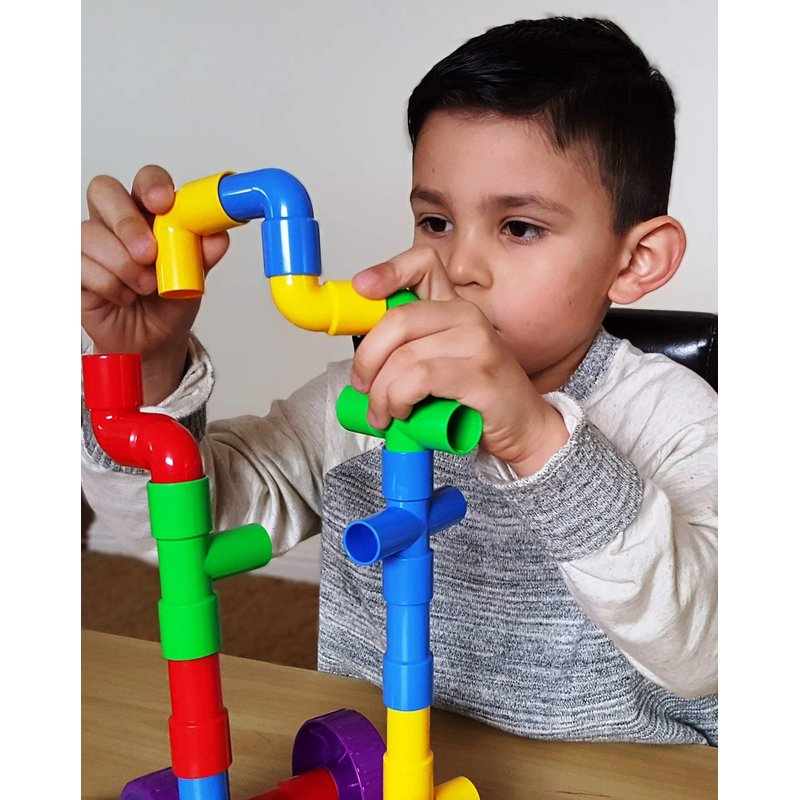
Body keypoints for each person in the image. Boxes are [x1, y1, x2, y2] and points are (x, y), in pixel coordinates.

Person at [81, 17, 718, 745]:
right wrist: (148, 365)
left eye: (520, 228)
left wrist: (538, 441)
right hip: (389, 760)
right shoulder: (362, 401)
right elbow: (173, 533)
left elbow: (710, 654)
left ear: (636, 261)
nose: (459, 266)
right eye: (436, 221)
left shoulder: (676, 418)